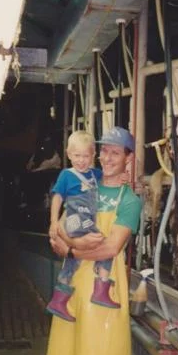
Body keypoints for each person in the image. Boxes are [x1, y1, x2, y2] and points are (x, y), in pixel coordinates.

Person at [39, 126, 142, 355]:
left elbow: (112, 247)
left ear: (129, 159)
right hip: (74, 291)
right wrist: (61, 236)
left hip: (106, 293)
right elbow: (61, 228)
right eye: (105, 150)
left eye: (116, 152)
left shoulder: (130, 200)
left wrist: (69, 246)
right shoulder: (88, 182)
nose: (107, 157)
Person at [46, 130, 124, 322]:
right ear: (68, 154)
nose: (81, 160)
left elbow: (111, 179)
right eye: (77, 156)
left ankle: (59, 299)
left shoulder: (95, 174)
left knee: (73, 262)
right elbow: (57, 198)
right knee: (105, 246)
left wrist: (124, 179)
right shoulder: (67, 175)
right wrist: (54, 222)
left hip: (86, 220)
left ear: (93, 156)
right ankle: (101, 287)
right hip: (75, 220)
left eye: (86, 156)